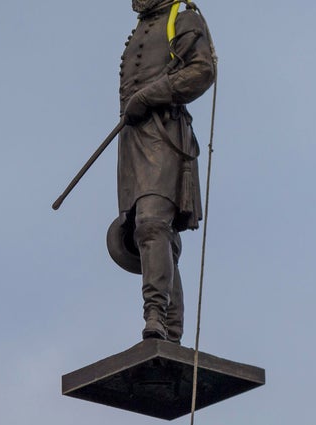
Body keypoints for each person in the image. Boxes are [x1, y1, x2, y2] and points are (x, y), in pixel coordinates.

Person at [117, 0, 215, 343]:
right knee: (154, 236)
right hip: (133, 142)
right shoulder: (142, 27)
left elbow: (202, 70)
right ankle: (171, 331)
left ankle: (155, 315)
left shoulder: (184, 18)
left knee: (153, 224)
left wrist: (152, 94)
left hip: (165, 136)